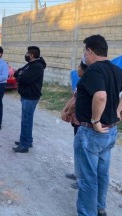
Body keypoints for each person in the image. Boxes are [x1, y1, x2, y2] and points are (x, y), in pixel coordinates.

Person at [74, 34, 122, 216]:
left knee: (88, 178)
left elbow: (100, 96)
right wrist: (117, 111)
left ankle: (88, 213)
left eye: (84, 51)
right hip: (110, 131)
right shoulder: (117, 70)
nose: (84, 56)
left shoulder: (93, 70)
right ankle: (100, 207)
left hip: (92, 132)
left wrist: (95, 120)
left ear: (89, 50)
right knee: (102, 173)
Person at [13, 46, 46, 153]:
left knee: (26, 121)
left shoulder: (37, 66)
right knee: (27, 120)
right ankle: (27, 140)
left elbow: (23, 79)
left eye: (27, 53)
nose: (26, 55)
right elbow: (17, 72)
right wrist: (20, 75)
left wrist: (20, 76)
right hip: (26, 96)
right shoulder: (30, 64)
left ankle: (24, 145)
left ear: (31, 55)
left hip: (30, 97)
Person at [60, 62, 87, 190]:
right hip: (76, 121)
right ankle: (77, 174)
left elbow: (77, 103)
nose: (77, 70)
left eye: (79, 67)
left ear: (84, 69)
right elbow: (73, 98)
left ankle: (81, 179)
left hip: (82, 122)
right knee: (77, 149)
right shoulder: (80, 83)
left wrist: (68, 112)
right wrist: (64, 110)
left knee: (82, 150)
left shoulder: (87, 83)